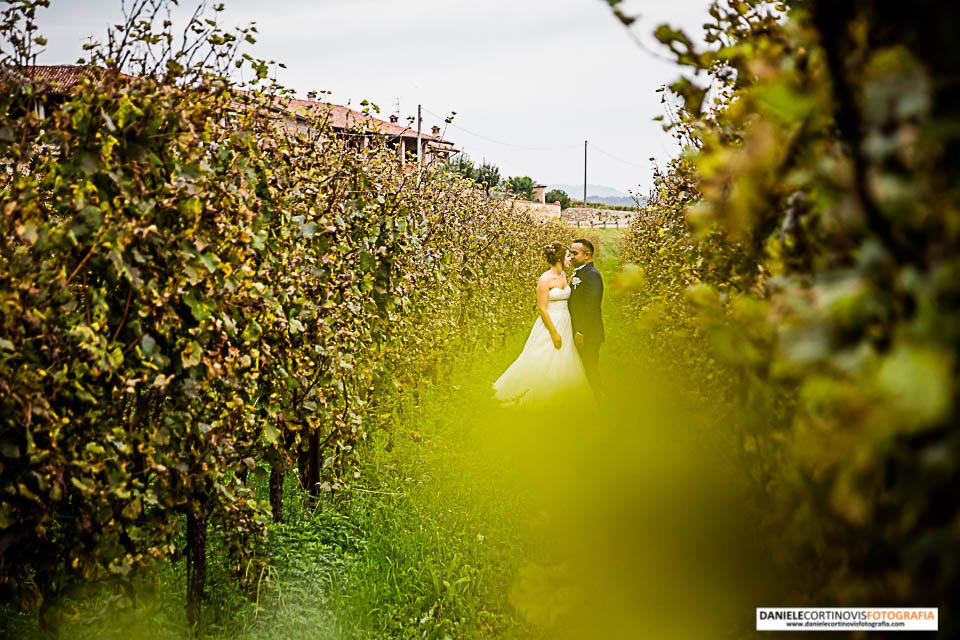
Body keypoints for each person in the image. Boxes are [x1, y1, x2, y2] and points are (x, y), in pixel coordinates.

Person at [493, 242, 593, 409]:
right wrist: (553, 332)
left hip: (565, 322)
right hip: (551, 322)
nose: (570, 259)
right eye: (568, 256)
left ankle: (560, 395)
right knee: (541, 355)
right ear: (560, 259)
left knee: (564, 357)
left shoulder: (564, 277)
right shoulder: (545, 279)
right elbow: (541, 308)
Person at [568, 238, 604, 389]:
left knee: (589, 368)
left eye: (574, 253)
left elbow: (592, 307)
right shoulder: (582, 273)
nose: (570, 256)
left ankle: (597, 401)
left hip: (588, 333)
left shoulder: (592, 275)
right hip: (578, 330)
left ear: (587, 255)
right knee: (580, 368)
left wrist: (581, 331)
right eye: (570, 253)